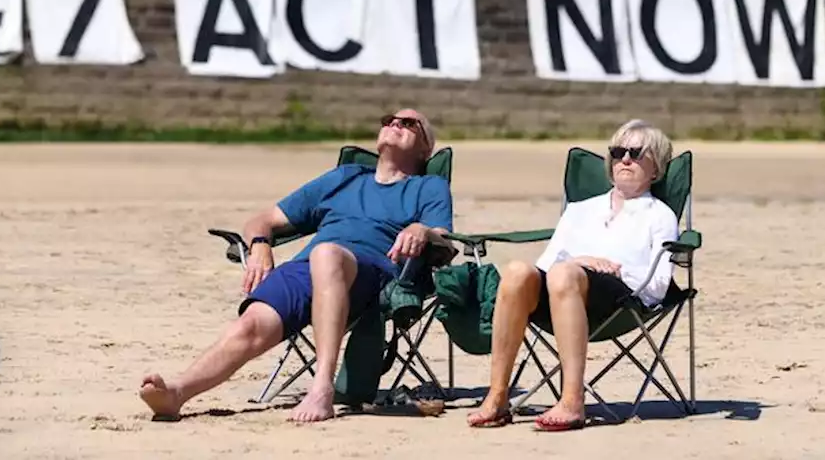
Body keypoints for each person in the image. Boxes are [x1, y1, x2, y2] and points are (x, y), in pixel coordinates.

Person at [139, 108, 453, 423]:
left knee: (327, 253)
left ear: (425, 148)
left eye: (409, 123)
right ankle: (177, 392)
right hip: (308, 268)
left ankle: (321, 389)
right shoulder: (345, 178)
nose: (395, 124)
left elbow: (444, 239)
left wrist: (422, 230)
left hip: (374, 275)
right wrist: (260, 244)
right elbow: (263, 220)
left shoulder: (428, 187)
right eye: (389, 120)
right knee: (252, 325)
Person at [467, 119, 679, 432]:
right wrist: (582, 261)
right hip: (562, 291)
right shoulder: (580, 209)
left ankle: (572, 400)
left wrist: (600, 267)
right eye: (618, 151)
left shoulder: (659, 215)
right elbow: (547, 263)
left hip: (621, 298)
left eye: (636, 153)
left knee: (565, 273)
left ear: (657, 168)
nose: (625, 159)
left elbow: (659, 285)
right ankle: (498, 396)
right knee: (516, 272)